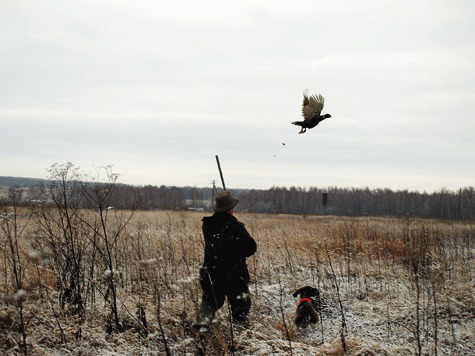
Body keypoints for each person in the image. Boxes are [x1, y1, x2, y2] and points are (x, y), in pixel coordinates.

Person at [195, 191, 257, 330]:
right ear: (230, 209)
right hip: (234, 274)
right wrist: (236, 225)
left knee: (210, 304)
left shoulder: (207, 225)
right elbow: (251, 248)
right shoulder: (236, 227)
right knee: (241, 306)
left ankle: (201, 330)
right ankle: (239, 335)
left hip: (211, 272)